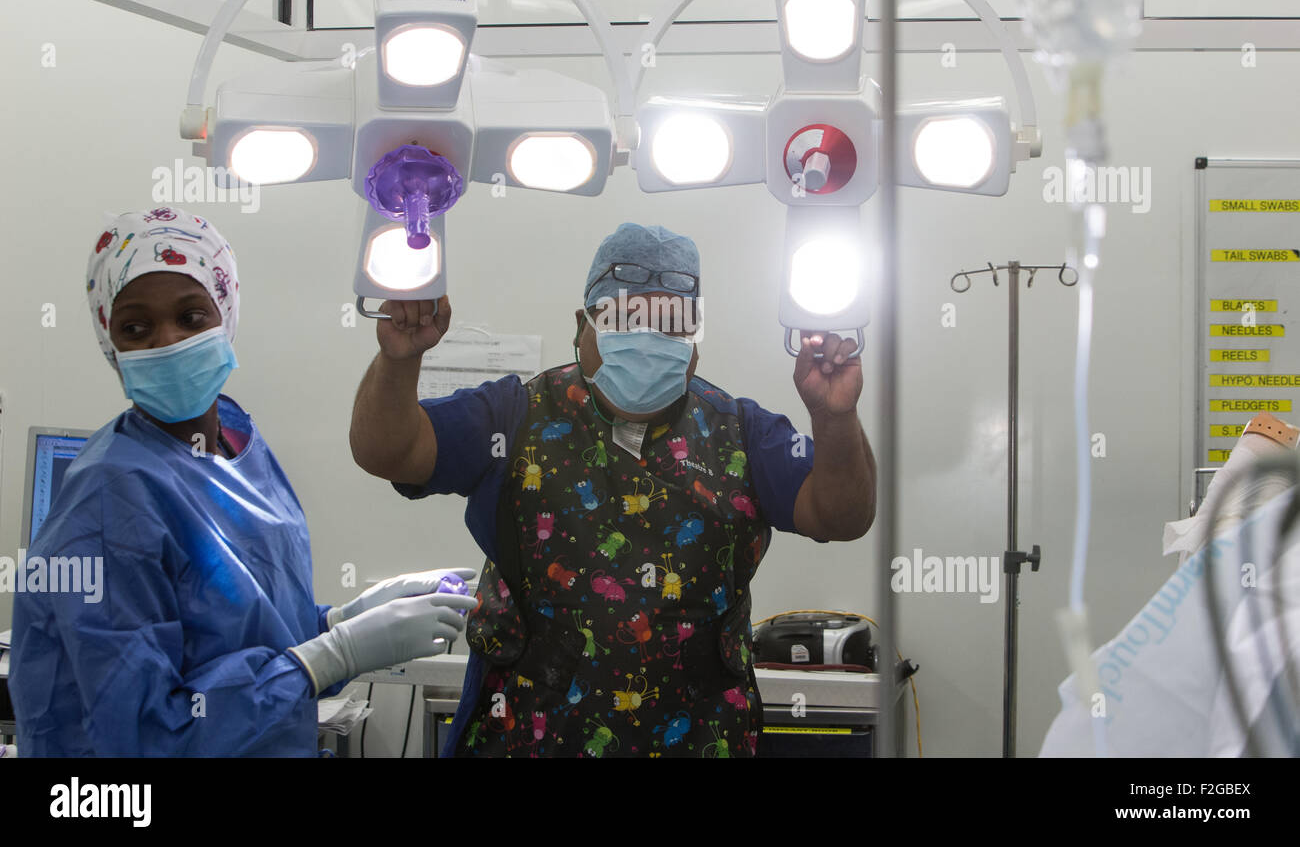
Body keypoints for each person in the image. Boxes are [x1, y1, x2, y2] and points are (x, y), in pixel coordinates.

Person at [350, 222, 876, 757]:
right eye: (626, 318)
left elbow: (842, 517)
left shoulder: (740, 432)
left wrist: (834, 416)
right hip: (527, 734)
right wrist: (399, 360)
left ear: (696, 339)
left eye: (670, 324)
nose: (648, 341)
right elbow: (389, 452)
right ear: (584, 324)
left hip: (697, 736)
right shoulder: (514, 414)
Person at [10, 207, 476, 756]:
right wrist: (334, 653)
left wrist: (340, 620)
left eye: (190, 317)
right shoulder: (108, 501)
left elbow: (250, 632)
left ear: (225, 316)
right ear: (110, 344)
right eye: (136, 327)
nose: (167, 341)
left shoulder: (238, 447)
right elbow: (143, 736)